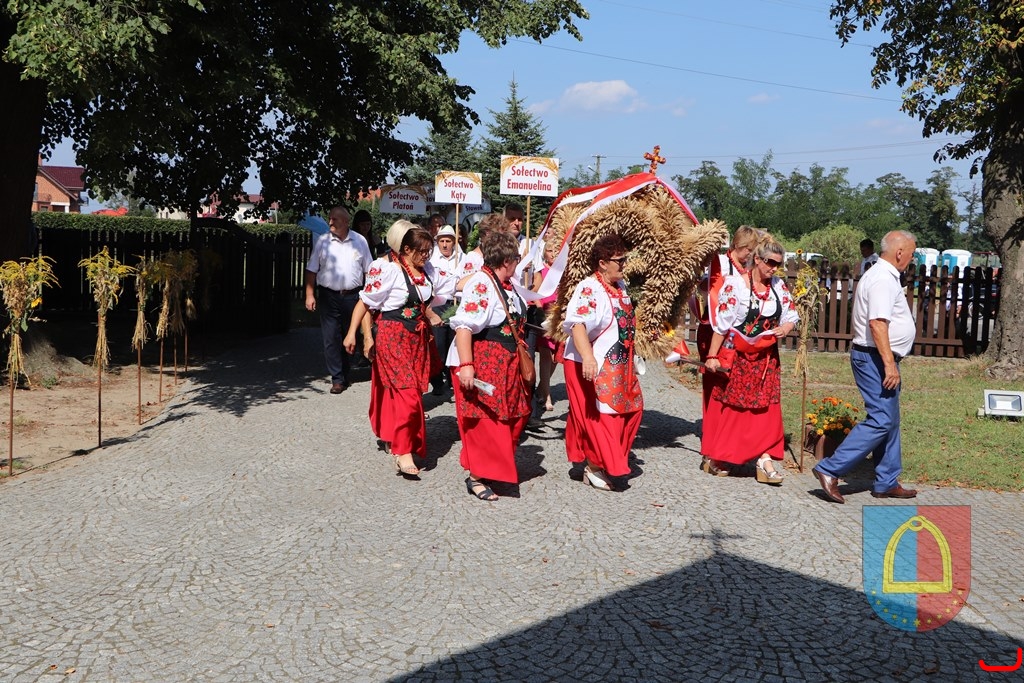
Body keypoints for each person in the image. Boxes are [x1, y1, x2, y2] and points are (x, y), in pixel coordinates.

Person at [813, 230, 919, 504]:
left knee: (890, 419)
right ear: (899, 253)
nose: (912, 258)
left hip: (878, 356)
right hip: (875, 357)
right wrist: (889, 365)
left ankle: (886, 481)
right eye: (912, 253)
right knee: (881, 419)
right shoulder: (882, 278)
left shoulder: (882, 275)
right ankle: (829, 469)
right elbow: (877, 324)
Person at [343, 220, 452, 478]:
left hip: (417, 340)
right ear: (406, 249)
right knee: (408, 396)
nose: (426, 256)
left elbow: (448, 288)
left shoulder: (426, 272)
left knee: (412, 392)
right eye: (421, 251)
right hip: (393, 337)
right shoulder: (388, 270)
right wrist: (353, 333)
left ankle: (398, 438)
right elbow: (365, 303)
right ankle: (403, 452)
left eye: (428, 251)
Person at [703, 235, 799, 485]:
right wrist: (712, 355)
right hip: (739, 357)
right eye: (770, 262)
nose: (774, 268)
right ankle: (719, 456)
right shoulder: (736, 285)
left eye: (778, 264)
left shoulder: (778, 286)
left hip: (767, 359)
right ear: (757, 259)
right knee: (735, 409)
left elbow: (791, 314)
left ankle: (764, 460)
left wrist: (786, 327)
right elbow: (722, 325)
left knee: (767, 409)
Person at [447, 230, 532, 501]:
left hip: (508, 362)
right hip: (487, 360)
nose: (517, 263)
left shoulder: (505, 284)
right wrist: (467, 365)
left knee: (516, 415)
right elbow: (464, 326)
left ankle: (492, 467)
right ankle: (476, 476)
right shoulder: (482, 283)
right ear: (506, 260)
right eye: (516, 258)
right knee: (488, 420)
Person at [562, 234, 643, 492]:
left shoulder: (621, 287)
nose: (624, 264)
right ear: (602, 263)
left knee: (633, 409)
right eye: (619, 260)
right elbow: (577, 324)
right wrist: (587, 357)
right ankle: (595, 466)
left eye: (625, 259)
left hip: (619, 366)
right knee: (601, 417)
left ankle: (603, 460)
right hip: (589, 364)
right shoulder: (589, 288)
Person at [693, 225, 759, 475]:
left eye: (752, 251)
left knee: (732, 389)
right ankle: (712, 447)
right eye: (746, 250)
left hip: (736, 336)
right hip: (715, 332)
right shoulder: (719, 262)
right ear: (737, 246)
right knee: (716, 390)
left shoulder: (747, 268)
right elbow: (705, 288)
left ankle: (727, 444)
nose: (749, 254)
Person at [304, 206, 374, 394]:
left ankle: (345, 371)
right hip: (329, 296)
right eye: (330, 218)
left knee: (350, 334)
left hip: (353, 296)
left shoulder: (359, 241)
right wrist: (309, 294)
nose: (330, 222)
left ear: (345, 221)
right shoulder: (323, 241)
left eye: (334, 219)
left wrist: (370, 296)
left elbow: (369, 270)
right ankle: (337, 378)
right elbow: (311, 269)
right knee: (331, 337)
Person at [428, 225, 463, 395]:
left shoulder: (462, 257)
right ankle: (437, 380)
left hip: (456, 303)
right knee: (438, 344)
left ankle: (452, 380)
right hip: (438, 304)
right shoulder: (432, 259)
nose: (444, 244)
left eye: (448, 241)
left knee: (453, 343)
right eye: (442, 241)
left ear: (454, 242)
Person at [531, 239, 561, 413]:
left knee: (556, 357)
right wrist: (540, 309)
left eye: (556, 251)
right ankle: (547, 395)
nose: (553, 254)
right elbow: (535, 292)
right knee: (545, 356)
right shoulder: (541, 271)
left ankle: (542, 388)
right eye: (550, 251)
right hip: (545, 315)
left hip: (558, 317)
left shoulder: (561, 271)